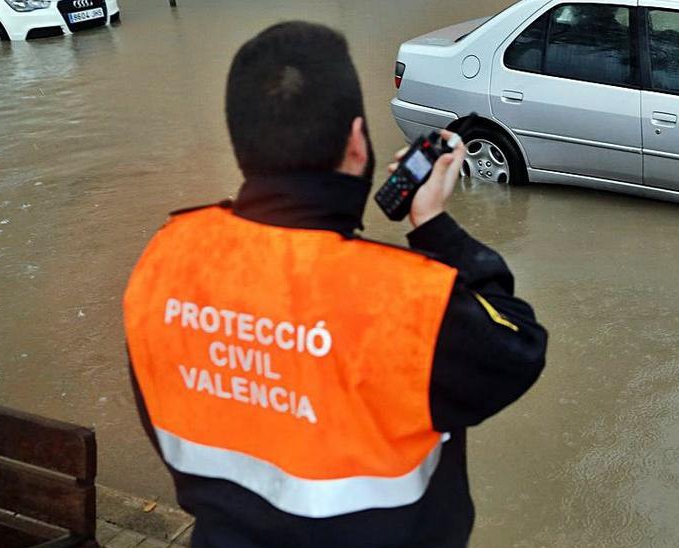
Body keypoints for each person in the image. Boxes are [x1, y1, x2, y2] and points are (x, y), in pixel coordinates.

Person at [122, 22, 547, 547]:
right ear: (355, 143)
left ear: (242, 145)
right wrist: (434, 226)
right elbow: (519, 345)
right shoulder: (407, 301)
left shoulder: (163, 260)